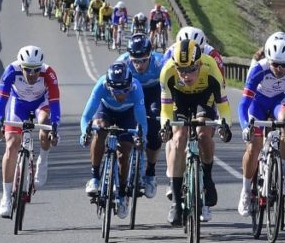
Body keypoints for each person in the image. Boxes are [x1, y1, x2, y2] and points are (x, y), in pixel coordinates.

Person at [158, 39, 233, 225]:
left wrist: (225, 125)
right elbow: (166, 110)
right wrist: (165, 126)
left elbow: (223, 106)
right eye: (181, 70)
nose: (186, 75)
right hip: (180, 100)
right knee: (178, 139)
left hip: (203, 97)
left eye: (191, 69)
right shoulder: (167, 72)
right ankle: (176, 203)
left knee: (202, 133)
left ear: (199, 64)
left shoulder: (211, 68)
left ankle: (207, 178)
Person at [0, 46, 60, 218]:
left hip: (41, 104)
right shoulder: (11, 71)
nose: (32, 74)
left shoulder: (49, 73)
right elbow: (1, 101)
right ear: (21, 66)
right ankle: (6, 197)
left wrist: (55, 127)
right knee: (12, 145)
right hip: (19, 104)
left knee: (45, 123)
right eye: (28, 70)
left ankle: (42, 163)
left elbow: (54, 102)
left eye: (36, 70)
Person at [79, 63, 148, 220]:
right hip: (106, 111)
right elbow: (86, 117)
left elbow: (142, 123)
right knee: (99, 129)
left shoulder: (136, 89)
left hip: (128, 115)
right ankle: (95, 177)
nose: (121, 95)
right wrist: (85, 133)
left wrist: (141, 138)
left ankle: (122, 193)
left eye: (125, 90)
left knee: (124, 152)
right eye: (116, 91)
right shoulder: (101, 86)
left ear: (130, 85)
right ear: (108, 86)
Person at [237, 38, 285, 216]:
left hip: (280, 102)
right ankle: (246, 191)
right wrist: (245, 127)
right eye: (276, 64)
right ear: (269, 60)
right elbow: (244, 103)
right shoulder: (258, 69)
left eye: (283, 65)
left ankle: (284, 174)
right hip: (259, 103)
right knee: (254, 146)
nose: (279, 69)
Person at [117, 34, 167, 198]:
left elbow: (171, 88)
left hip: (154, 94)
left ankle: (150, 173)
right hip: (131, 94)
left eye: (143, 60)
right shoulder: (122, 63)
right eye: (135, 61)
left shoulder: (161, 63)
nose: (139, 65)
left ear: (150, 55)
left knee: (154, 128)